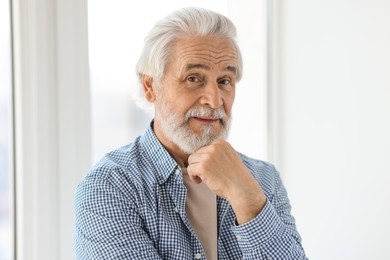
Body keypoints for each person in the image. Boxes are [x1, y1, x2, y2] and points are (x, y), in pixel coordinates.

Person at [74, 7, 307, 259]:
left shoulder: (263, 179)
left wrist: (245, 195)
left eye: (224, 81)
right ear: (150, 86)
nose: (214, 101)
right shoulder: (109, 187)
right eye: (194, 78)